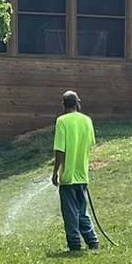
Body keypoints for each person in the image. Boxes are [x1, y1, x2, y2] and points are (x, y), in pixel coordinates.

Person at [51, 90, 100, 254]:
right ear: (77, 103)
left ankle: (74, 244)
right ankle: (92, 241)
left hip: (68, 176)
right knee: (82, 210)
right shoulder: (87, 120)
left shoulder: (62, 121)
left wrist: (55, 172)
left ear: (63, 104)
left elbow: (60, 150)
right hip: (82, 174)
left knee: (70, 212)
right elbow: (90, 143)